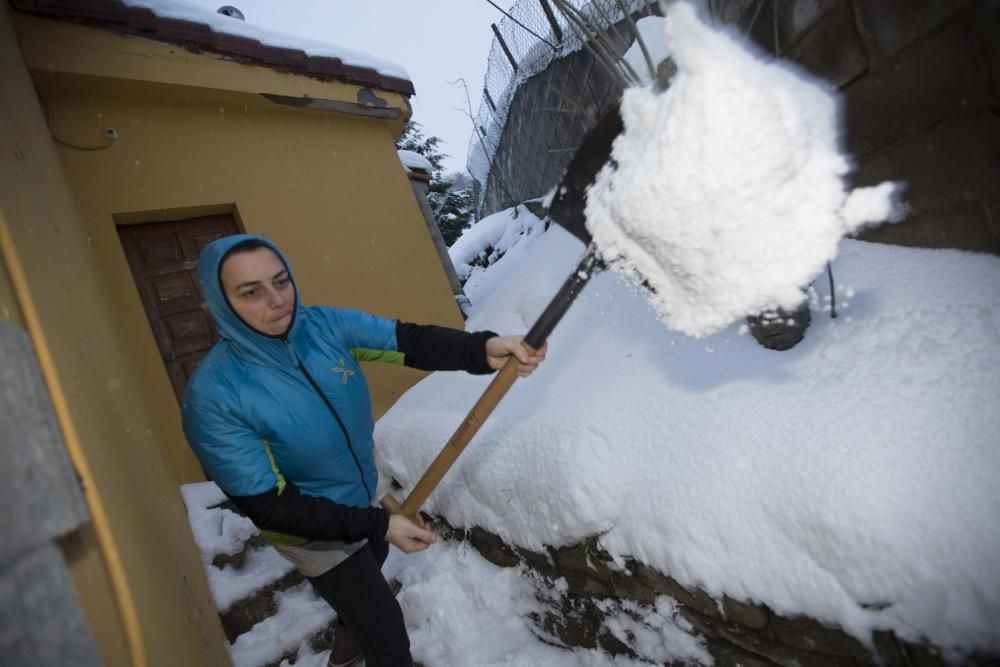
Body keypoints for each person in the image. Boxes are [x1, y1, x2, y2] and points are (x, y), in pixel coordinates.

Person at [181, 234, 546, 666]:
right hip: (309, 531)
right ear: (221, 303)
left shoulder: (323, 328)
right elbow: (272, 507)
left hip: (359, 493)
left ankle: (346, 646)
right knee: (386, 631)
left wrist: (482, 349)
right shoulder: (215, 396)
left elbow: (409, 340)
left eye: (281, 281)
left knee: (370, 566)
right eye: (251, 292)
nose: (277, 300)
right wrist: (379, 523)